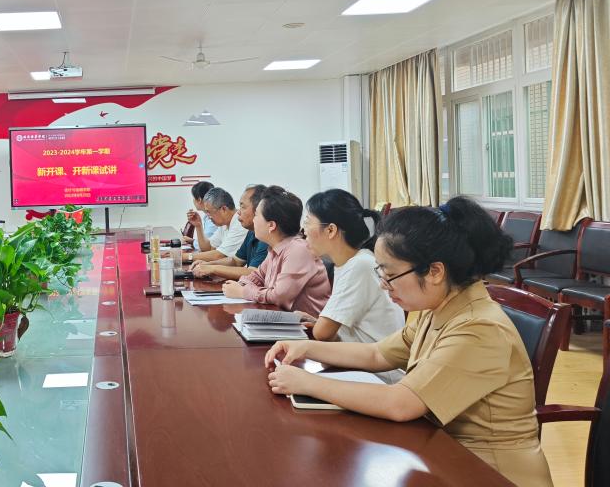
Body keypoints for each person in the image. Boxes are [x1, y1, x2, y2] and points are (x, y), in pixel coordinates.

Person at [264, 197, 553, 487]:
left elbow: (400, 404)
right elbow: (378, 354)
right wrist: (306, 347)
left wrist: (307, 383)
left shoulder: (479, 328)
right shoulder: (438, 308)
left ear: (435, 272)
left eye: (390, 275)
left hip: (489, 472)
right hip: (442, 453)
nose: (383, 284)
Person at [299, 189, 404, 343]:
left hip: (374, 358)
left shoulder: (360, 265)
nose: (304, 231)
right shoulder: (353, 262)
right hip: (360, 354)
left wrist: (321, 326)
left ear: (331, 230)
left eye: (307, 222)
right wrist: (318, 322)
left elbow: (322, 333)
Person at [223, 187, 330, 315]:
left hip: (305, 326)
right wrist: (241, 285)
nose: (254, 220)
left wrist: (242, 292)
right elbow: (256, 276)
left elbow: (279, 296)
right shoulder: (275, 249)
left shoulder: (297, 250)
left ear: (271, 225)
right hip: (283, 320)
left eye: (256, 215)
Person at [191, 184, 270, 280]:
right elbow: (236, 261)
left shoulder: (267, 236)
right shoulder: (251, 232)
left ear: (259, 210)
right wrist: (208, 264)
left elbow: (253, 273)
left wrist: (213, 268)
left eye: (243, 207)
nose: (238, 212)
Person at [185, 187, 248, 263]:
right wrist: (198, 226)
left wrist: (185, 257)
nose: (208, 216)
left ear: (223, 209)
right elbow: (207, 248)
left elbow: (220, 255)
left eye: (209, 212)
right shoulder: (224, 224)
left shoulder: (239, 224)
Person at [183, 181, 218, 245]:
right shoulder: (207, 216)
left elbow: (206, 245)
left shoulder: (213, 218)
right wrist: (192, 241)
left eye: (193, 198)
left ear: (199, 200)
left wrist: (193, 242)